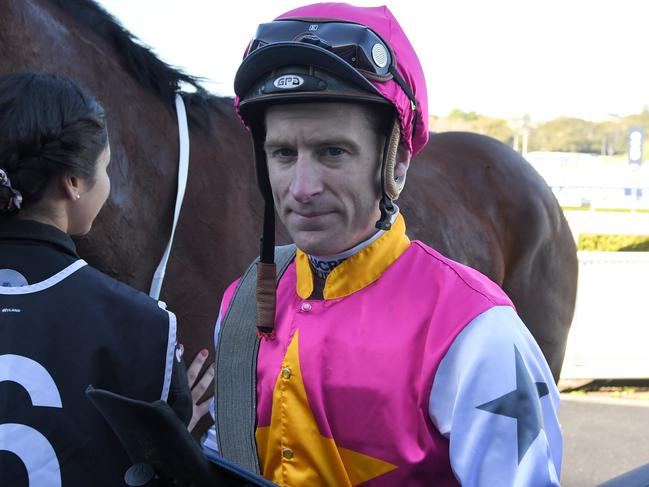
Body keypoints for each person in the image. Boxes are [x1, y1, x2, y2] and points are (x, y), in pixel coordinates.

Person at [204, 4, 562, 486]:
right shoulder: (240, 303)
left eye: (333, 151)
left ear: (395, 164)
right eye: (284, 154)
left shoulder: (477, 332)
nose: (302, 187)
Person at [0, 71, 195, 486]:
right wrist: (179, 420)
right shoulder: (146, 326)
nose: (107, 182)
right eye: (106, 167)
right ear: (72, 183)